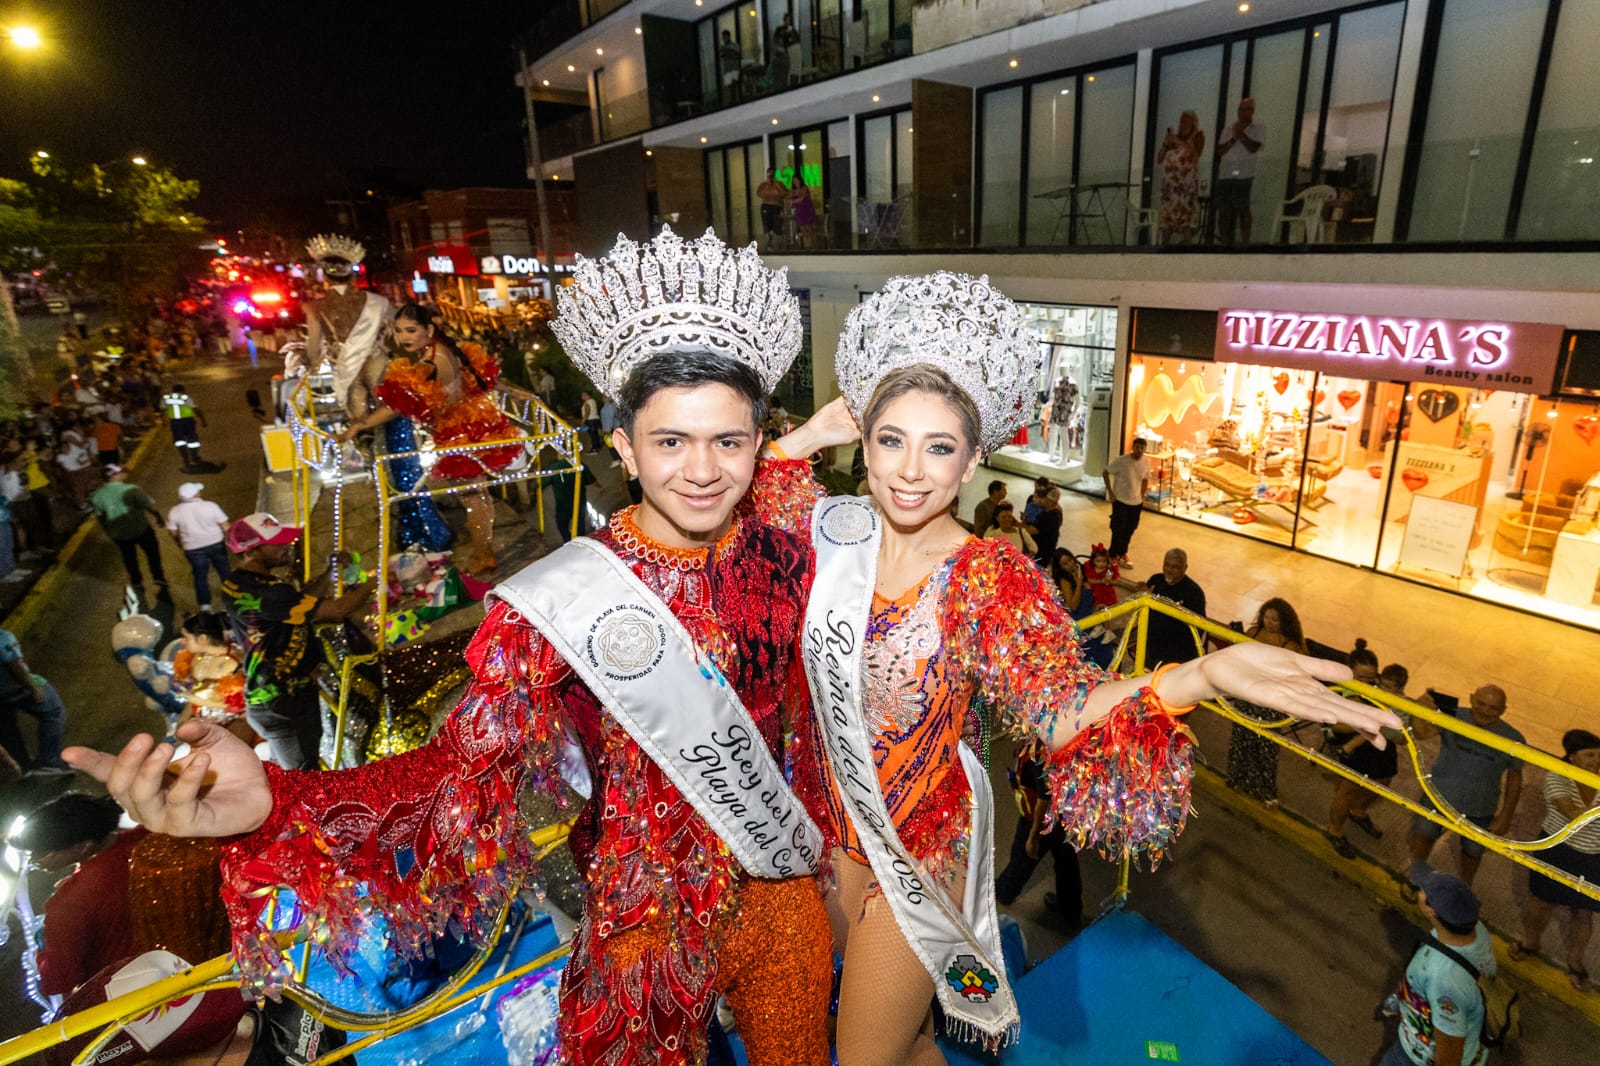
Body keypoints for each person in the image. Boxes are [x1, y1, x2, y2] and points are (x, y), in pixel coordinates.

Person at [67, 229, 835, 1066]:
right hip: (636, 934)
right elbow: (451, 782)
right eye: (670, 441)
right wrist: (279, 803)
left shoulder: (788, 556)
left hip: (776, 900)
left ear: (760, 444)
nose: (701, 469)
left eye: (727, 441)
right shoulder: (556, 607)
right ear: (621, 447)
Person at [760, 271, 1396, 1061]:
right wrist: (813, 433)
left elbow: (1063, 708)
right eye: (890, 439)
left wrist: (1199, 678)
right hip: (825, 823)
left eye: (940, 447)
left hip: (918, 846)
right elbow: (750, 498)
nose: (911, 469)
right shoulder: (836, 529)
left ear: (972, 463)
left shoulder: (988, 578)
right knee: (891, 1030)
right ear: (865, 442)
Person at [340, 303, 522, 574]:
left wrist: (360, 424)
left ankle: (483, 554)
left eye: (411, 330)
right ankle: (484, 550)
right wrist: (517, 392)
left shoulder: (430, 364)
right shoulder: (443, 350)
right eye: (399, 331)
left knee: (472, 499)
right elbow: (475, 379)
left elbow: (395, 407)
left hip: (460, 434)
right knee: (478, 497)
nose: (404, 337)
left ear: (429, 329)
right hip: (472, 425)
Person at [220, 512, 374, 771]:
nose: (286, 546)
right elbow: (336, 610)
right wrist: (373, 583)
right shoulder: (269, 593)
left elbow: (297, 604)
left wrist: (329, 572)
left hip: (271, 698)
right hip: (284, 703)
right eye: (277, 542)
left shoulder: (240, 582)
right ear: (253, 550)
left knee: (294, 772)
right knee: (304, 779)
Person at [1508, 728, 1600, 991]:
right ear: (1572, 757)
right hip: (1556, 849)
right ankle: (1531, 941)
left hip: (1592, 857)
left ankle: (1575, 959)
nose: (1595, 761)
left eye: (1598, 756)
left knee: (1583, 913)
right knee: (1541, 902)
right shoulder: (1557, 776)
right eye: (1589, 755)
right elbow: (1572, 814)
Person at [1407, 684, 1523, 889]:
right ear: (1470, 699)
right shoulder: (1452, 716)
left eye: (1493, 708)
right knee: (1424, 835)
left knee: (1473, 851)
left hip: (1480, 807)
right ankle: (1416, 876)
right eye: (1481, 703)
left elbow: (1515, 777)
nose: (1485, 711)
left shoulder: (1513, 739)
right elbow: (1422, 733)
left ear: (1503, 710)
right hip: (1439, 796)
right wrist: (1420, 709)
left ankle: (1464, 886)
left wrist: (1506, 816)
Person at [1380, 867, 1493, 1066]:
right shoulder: (1474, 929)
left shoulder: (1446, 981)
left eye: (1424, 890)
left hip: (1417, 1058)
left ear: (1432, 911)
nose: (1419, 890)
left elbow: (1449, 1050)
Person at [1223, 597, 1309, 807]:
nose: (1270, 622)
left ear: (1284, 622)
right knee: (1241, 739)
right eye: (1267, 617)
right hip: (1248, 694)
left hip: (1271, 700)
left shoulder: (1291, 645)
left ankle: (1263, 789)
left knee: (1265, 747)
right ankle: (1237, 778)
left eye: (1275, 620)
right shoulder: (1253, 633)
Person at [301, 234, 394, 419]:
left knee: (359, 418)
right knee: (387, 410)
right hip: (377, 361)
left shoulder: (314, 307)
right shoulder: (378, 301)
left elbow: (313, 345)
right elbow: (398, 326)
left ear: (325, 276)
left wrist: (309, 366)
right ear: (352, 275)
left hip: (347, 367)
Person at [1326, 652, 1410, 855]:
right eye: (1361, 677)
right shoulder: (1340, 690)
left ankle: (1358, 810)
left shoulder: (1377, 691)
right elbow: (1338, 727)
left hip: (1379, 742)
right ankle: (1335, 830)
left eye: (1371, 678)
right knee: (1347, 790)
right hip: (1351, 743)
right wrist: (1369, 721)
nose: (1366, 682)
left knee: (1382, 782)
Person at [994, 750, 1083, 926]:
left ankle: (1004, 891)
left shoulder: (1038, 754)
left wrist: (1033, 836)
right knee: (1067, 863)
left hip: (1039, 818)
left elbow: (1044, 798)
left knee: (1022, 857)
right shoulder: (1054, 739)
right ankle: (1071, 910)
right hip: (1064, 813)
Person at [91, 465, 170, 606]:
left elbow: (101, 517)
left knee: (129, 557)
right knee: (152, 553)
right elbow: (147, 505)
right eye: (120, 472)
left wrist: (108, 532)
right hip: (141, 528)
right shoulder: (131, 490)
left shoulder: (97, 496)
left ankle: (136, 580)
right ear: (113, 476)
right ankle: (158, 577)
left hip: (120, 534)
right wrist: (158, 516)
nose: (123, 473)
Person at [0, 626, 71, 775]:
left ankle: (22, 765)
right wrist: (33, 688)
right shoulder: (3, 637)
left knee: (8, 729)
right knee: (53, 712)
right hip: (18, 689)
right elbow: (15, 665)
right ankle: (50, 760)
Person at [165, 482, 230, 611]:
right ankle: (231, 600)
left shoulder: (175, 511)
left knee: (200, 576)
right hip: (216, 543)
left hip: (192, 548)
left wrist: (179, 542)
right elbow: (226, 526)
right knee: (224, 571)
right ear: (196, 494)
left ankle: (205, 605)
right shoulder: (210, 506)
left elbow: (172, 531)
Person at [1141, 548, 1206, 666]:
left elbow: (1199, 628)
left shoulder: (1194, 592)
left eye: (1174, 567)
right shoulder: (1156, 580)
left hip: (1177, 651)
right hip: (1152, 643)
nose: (1168, 570)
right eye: (1166, 565)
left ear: (1185, 568)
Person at [1214, 97, 1264, 244]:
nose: (1242, 112)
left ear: (1252, 111)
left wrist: (1241, 135)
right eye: (1240, 109)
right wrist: (1233, 139)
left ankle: (1245, 242)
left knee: (1243, 208)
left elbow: (1254, 148)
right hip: (1226, 174)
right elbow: (1220, 151)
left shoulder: (1258, 128)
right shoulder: (1228, 128)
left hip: (1244, 174)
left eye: (1246, 109)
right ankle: (1224, 241)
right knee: (1224, 210)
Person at [1157, 110, 1205, 244]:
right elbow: (1159, 159)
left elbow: (1196, 154)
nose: (1182, 123)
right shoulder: (1173, 138)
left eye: (1186, 120)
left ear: (1193, 122)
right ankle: (1163, 251)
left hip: (1185, 189)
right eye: (1181, 120)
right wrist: (1166, 144)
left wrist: (1178, 141)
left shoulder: (1197, 136)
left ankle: (1188, 254)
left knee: (1186, 224)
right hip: (1169, 190)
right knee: (1166, 224)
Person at [1103, 438, 1149, 564]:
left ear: (1145, 450)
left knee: (1130, 528)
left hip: (1136, 503)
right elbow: (1105, 473)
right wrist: (1110, 492)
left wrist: (1142, 496)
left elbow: (1145, 479)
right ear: (1133, 447)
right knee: (1118, 528)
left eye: (1142, 448)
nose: (1139, 450)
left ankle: (1123, 552)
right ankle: (1113, 554)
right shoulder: (1122, 461)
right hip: (1120, 501)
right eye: (1137, 447)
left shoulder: (1145, 462)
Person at [160, 384, 217, 472]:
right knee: (193, 441)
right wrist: (203, 419)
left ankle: (186, 460)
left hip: (175, 423)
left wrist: (164, 421)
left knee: (180, 442)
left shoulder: (166, 398)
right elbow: (196, 409)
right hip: (187, 422)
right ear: (182, 390)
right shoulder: (185, 397)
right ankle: (195, 457)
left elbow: (162, 410)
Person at [1030, 486, 1063, 566]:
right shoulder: (1054, 512)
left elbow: (1033, 530)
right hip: (1044, 553)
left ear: (1050, 501)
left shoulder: (1049, 516)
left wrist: (1016, 524)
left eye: (1044, 498)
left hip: (1041, 555)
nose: (1041, 500)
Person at [757, 170, 788, 248]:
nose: (770, 177)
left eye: (772, 175)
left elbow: (784, 193)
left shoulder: (779, 184)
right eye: (769, 175)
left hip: (776, 206)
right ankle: (769, 241)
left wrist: (776, 185)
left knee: (777, 224)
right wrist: (768, 185)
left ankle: (777, 242)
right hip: (766, 205)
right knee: (767, 223)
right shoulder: (763, 184)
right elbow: (759, 194)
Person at [1083, 543, 1120, 608]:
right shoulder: (1091, 568)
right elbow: (1089, 580)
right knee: (1094, 601)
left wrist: (1110, 581)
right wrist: (1100, 581)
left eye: (1104, 561)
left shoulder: (1109, 569)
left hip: (1107, 590)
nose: (1101, 564)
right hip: (1095, 589)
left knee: (1110, 602)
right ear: (1093, 561)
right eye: (1098, 561)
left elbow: (1117, 581)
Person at [790, 181, 817, 249]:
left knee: (808, 228)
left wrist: (795, 200)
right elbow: (790, 200)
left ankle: (811, 245)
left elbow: (803, 198)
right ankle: (806, 245)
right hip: (799, 213)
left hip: (807, 211)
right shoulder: (793, 191)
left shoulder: (804, 189)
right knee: (802, 228)